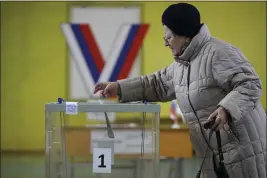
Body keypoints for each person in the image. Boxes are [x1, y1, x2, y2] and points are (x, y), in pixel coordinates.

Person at [94, 3, 266, 178]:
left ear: (184, 35)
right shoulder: (182, 65)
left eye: (168, 37)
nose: (166, 43)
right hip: (214, 157)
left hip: (244, 153)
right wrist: (118, 87)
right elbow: (156, 84)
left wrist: (226, 109)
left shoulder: (219, 53)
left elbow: (250, 84)